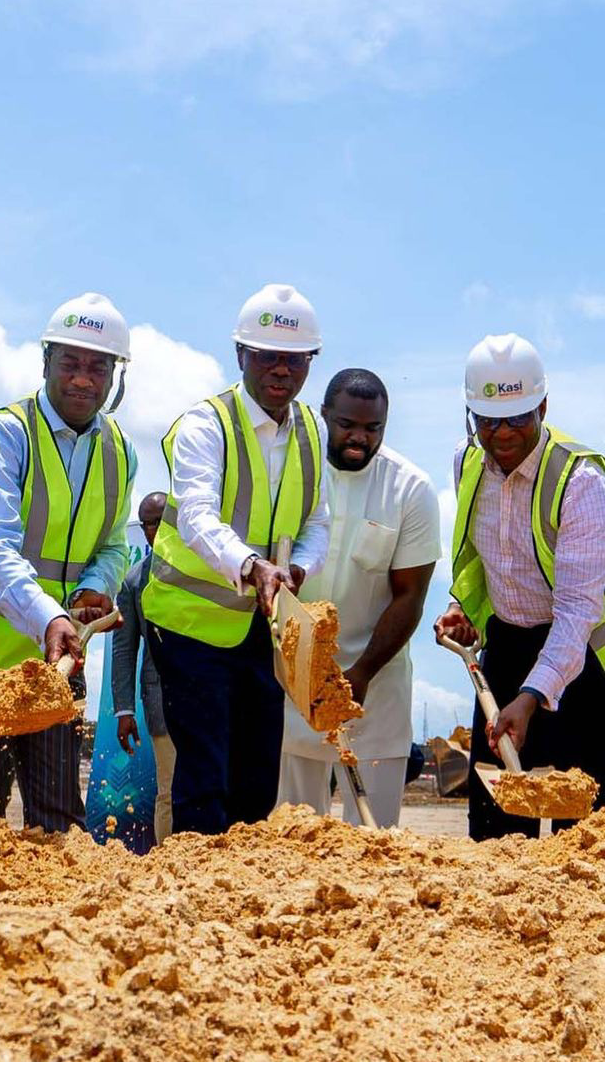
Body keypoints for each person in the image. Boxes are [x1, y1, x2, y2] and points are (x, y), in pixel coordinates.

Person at [0, 292, 136, 832]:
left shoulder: (120, 451)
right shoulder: (3, 434)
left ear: (116, 373)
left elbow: (114, 544)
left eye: (98, 366)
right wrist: (50, 616)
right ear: (45, 361)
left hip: (57, 663)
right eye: (70, 362)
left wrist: (93, 587)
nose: (83, 379)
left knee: (58, 821)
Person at [142, 283, 329, 834]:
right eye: (268, 356)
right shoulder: (206, 425)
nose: (282, 370)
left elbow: (318, 522)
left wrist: (298, 570)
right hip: (190, 625)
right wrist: (251, 566)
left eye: (295, 360)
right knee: (205, 774)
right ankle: (196, 896)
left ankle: (243, 893)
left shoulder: (311, 431)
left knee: (255, 779)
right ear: (241, 355)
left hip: (261, 630)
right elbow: (198, 515)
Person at [434, 334, 605, 840]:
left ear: (543, 407)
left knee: (584, 830)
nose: (501, 434)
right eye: (487, 421)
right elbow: (487, 562)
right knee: (494, 827)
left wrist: (532, 696)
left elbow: (578, 608)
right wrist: (463, 609)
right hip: (506, 650)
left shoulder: (580, 480)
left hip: (580, 660)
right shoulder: (469, 466)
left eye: (516, 419)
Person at [277, 370, 440, 827]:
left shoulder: (411, 489)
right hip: (293, 681)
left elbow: (410, 596)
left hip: (376, 680)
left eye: (373, 429)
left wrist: (361, 674)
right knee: (291, 832)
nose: (358, 438)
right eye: (347, 424)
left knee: (374, 838)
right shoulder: (294, 472)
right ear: (324, 415)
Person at [111, 491, 176, 844]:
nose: (154, 530)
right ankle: (167, 866)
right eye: (147, 523)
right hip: (160, 702)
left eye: (161, 520)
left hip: (208, 698)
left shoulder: (210, 571)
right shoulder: (135, 580)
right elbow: (124, 650)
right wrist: (124, 709)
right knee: (169, 790)